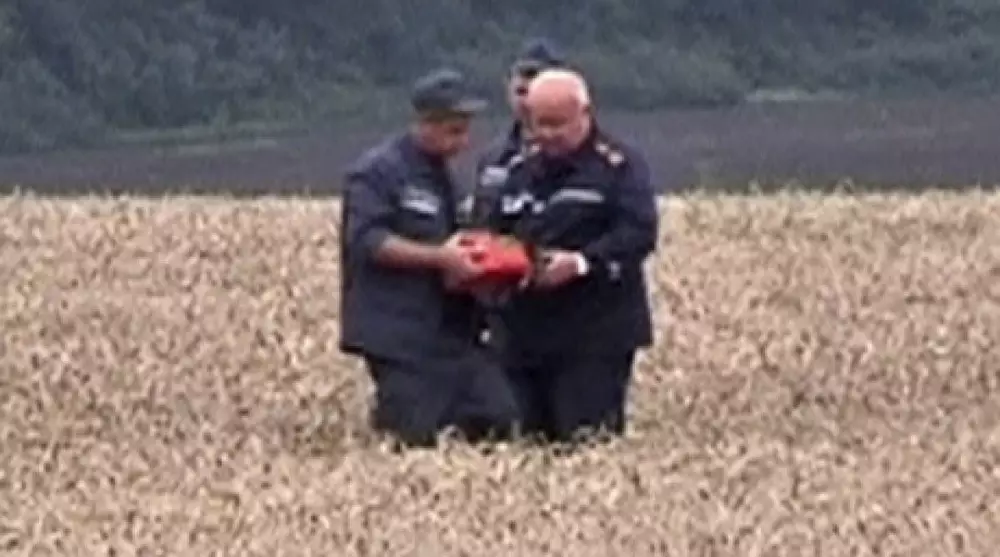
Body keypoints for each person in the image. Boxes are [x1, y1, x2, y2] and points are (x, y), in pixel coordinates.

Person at [338, 68, 521, 448]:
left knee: (499, 416)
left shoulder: (447, 179)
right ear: (426, 123)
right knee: (414, 436)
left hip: (452, 331)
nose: (464, 142)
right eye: (454, 131)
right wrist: (440, 258)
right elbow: (368, 241)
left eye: (466, 131)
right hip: (399, 332)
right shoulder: (378, 172)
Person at [482, 68, 659, 444]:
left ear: (585, 114)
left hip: (594, 335)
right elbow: (492, 230)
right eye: (540, 124)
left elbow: (638, 234)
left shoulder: (619, 167)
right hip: (523, 335)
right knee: (524, 449)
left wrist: (580, 263)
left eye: (558, 124)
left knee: (586, 445)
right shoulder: (516, 171)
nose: (548, 134)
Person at [464, 37, 567, 227]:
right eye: (521, 91)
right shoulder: (493, 158)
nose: (526, 100)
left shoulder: (580, 156)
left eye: (536, 89)